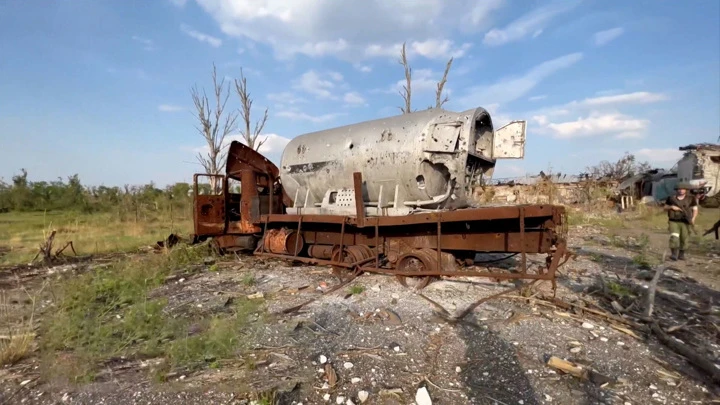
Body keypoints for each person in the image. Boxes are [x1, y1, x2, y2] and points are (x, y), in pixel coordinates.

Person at [663, 182, 698, 260]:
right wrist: (671, 207)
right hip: (673, 221)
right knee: (674, 237)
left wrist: (693, 218)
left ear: (686, 190)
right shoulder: (671, 198)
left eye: (683, 189)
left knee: (684, 238)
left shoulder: (691, 198)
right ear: (676, 190)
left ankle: (681, 255)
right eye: (679, 189)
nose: (681, 191)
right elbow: (664, 208)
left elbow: (695, 209)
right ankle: (674, 254)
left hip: (685, 221)